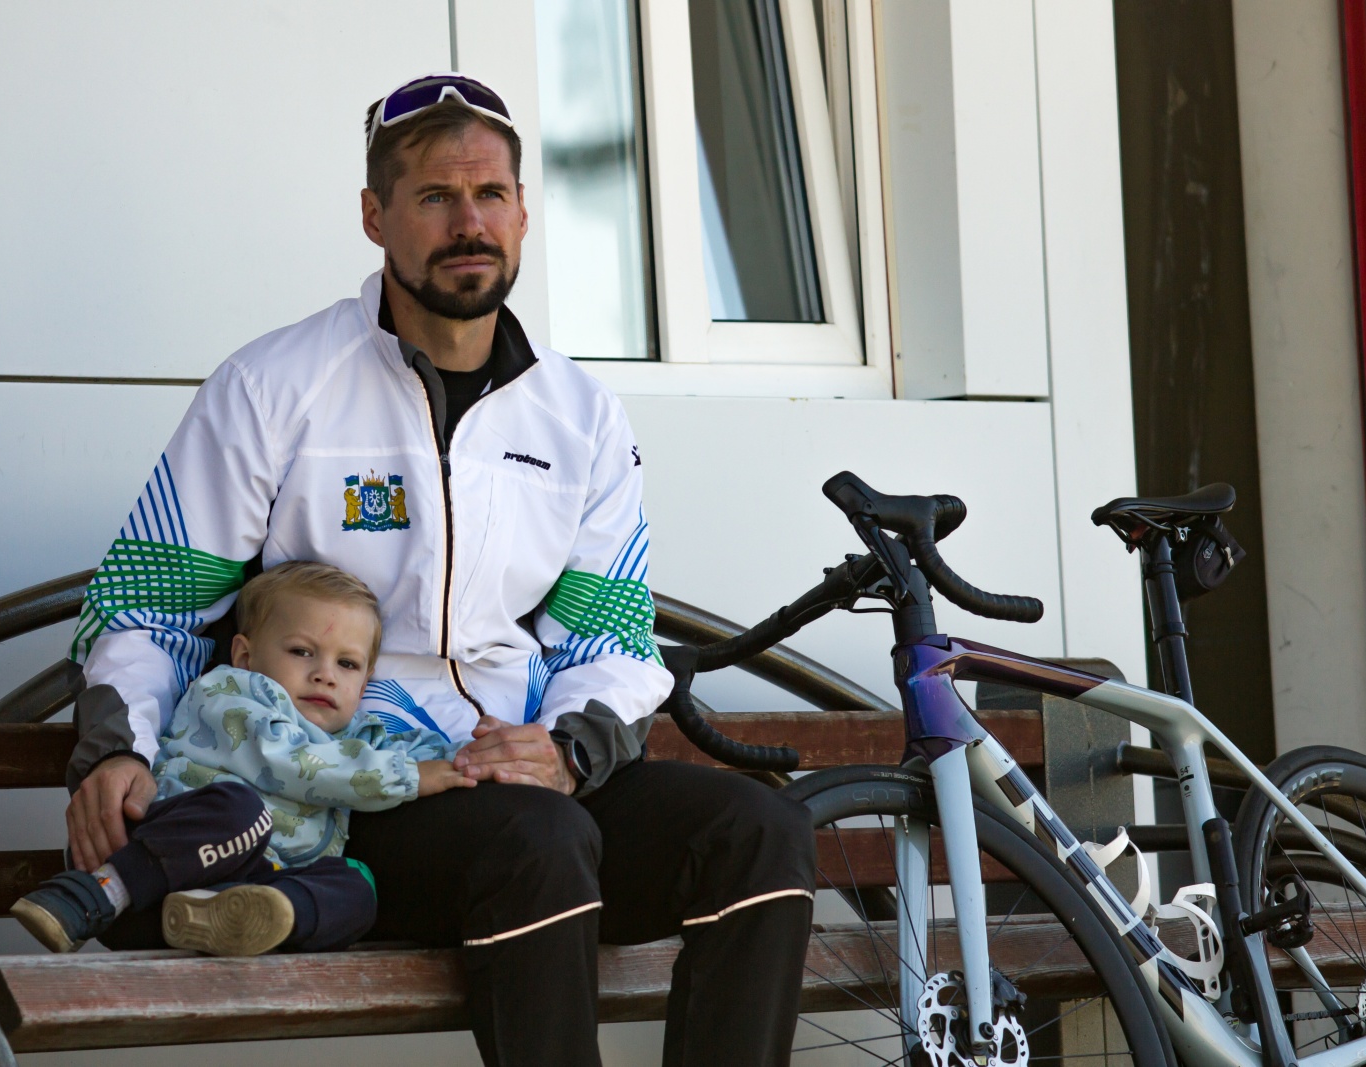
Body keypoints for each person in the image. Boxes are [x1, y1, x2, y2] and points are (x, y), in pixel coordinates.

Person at [62, 72, 816, 1065]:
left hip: (529, 778)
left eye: (491, 194)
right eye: (435, 196)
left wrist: (568, 751)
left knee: (757, 828)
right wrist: (113, 749)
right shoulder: (272, 386)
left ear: (523, 213)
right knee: (537, 840)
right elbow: (147, 608)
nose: (470, 223)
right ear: (375, 216)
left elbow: (610, 639)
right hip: (350, 802)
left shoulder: (579, 414)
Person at [15, 561, 473, 956]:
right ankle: (92, 893)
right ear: (245, 655)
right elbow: (291, 762)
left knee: (356, 882)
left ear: (366, 681)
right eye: (302, 652)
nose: (325, 675)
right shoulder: (231, 693)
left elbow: (418, 751)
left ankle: (263, 919)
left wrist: (475, 758)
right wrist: (410, 776)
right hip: (153, 875)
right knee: (240, 811)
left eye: (347, 664)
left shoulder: (357, 736)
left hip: (224, 897)